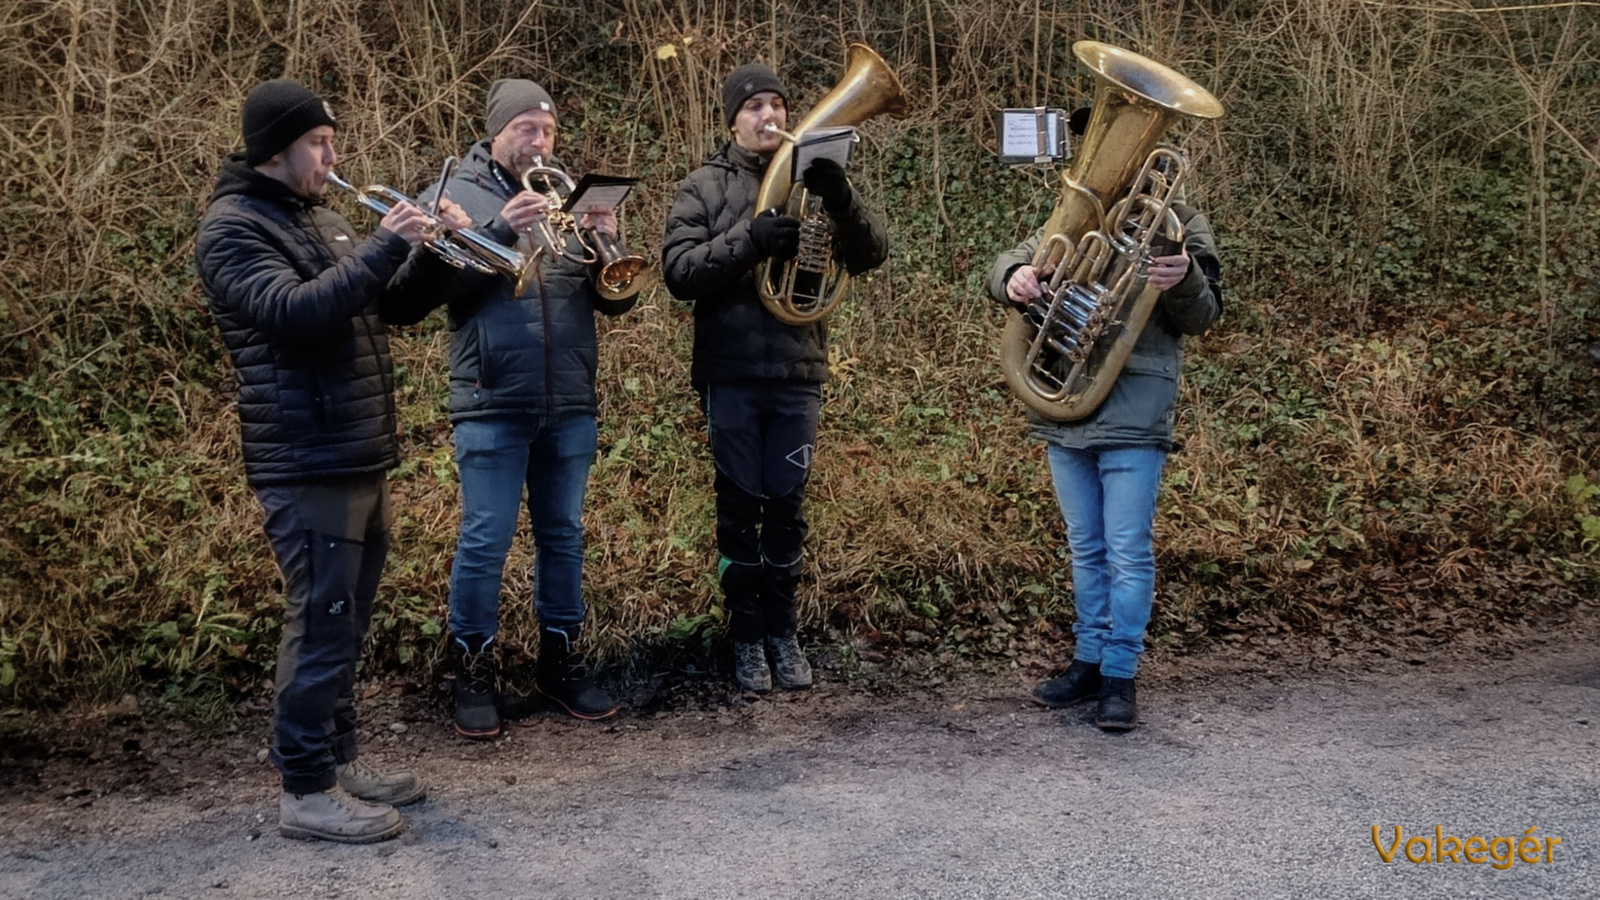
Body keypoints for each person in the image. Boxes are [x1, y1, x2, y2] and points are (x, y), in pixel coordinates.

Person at [195, 78, 469, 842]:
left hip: (355, 449)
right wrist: (387, 242)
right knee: (320, 620)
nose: (334, 155)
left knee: (345, 620)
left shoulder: (319, 215)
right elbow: (296, 313)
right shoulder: (231, 229)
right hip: (305, 457)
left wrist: (436, 252)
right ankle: (305, 789)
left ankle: (338, 760)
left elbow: (391, 308)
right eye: (320, 143)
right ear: (278, 149)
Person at [385, 79, 635, 739]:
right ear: (496, 131)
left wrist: (606, 242)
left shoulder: (565, 198)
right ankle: (473, 671)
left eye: (548, 131)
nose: (539, 141)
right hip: (492, 399)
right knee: (484, 541)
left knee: (564, 536)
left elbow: (617, 302)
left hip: (569, 399)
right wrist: (500, 228)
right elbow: (414, 297)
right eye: (526, 128)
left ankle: (561, 663)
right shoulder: (453, 194)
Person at [660, 63, 889, 693]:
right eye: (755, 106)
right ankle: (745, 638)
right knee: (737, 510)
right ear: (733, 119)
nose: (770, 116)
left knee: (787, 509)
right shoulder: (703, 185)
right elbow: (679, 273)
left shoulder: (816, 180)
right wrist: (752, 240)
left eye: (779, 106)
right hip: (731, 373)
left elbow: (870, 256)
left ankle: (783, 633)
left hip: (797, 370)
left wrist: (840, 198)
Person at [988, 156, 1222, 731]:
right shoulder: (1077, 217)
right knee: (1085, 547)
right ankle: (1089, 660)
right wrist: (1013, 275)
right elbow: (1009, 261)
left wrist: (1184, 277)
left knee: (1127, 550)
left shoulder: (1182, 222)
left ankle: (1120, 673)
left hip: (1134, 412)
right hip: (1064, 403)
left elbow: (1204, 314)